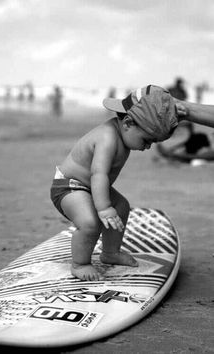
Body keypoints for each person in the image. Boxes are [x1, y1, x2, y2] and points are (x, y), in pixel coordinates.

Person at [50, 85, 179, 281]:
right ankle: (79, 264)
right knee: (90, 223)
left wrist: (109, 206)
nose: (148, 146)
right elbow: (99, 174)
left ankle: (110, 252)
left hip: (88, 187)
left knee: (121, 206)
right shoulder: (107, 138)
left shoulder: (123, 134)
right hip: (69, 186)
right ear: (128, 123)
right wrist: (103, 208)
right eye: (147, 140)